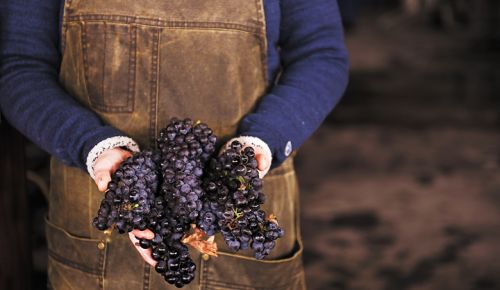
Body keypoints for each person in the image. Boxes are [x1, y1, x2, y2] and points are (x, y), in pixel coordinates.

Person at [0, 0, 349, 289]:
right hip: (98, 222)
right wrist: (89, 145)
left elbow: (321, 54)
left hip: (237, 214)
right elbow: (20, 67)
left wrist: (265, 138)